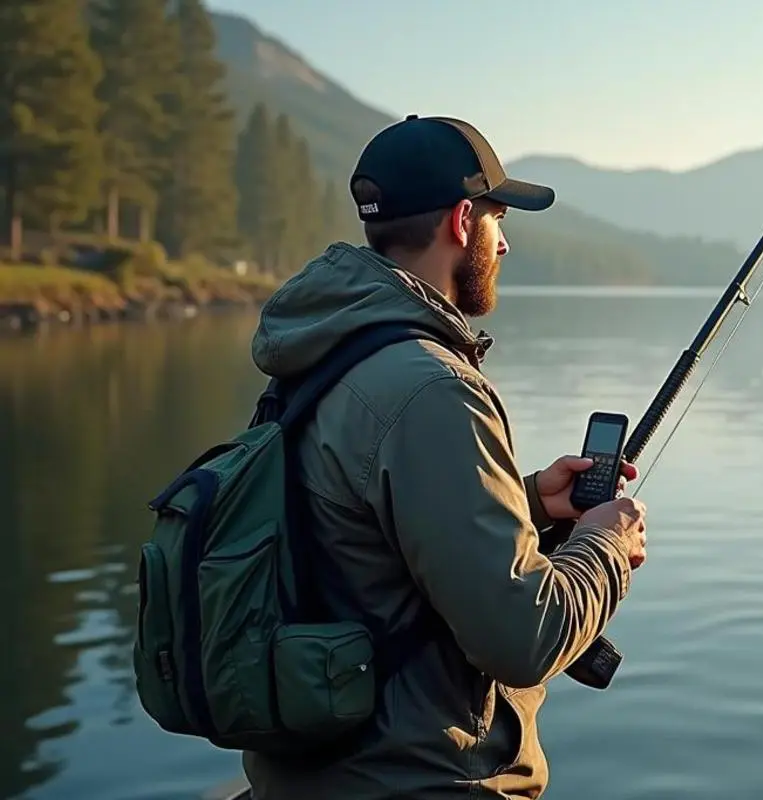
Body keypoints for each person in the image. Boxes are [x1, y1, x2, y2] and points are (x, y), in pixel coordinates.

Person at [240, 114, 648, 799]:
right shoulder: (434, 389)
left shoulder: (321, 357)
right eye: (497, 218)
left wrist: (522, 499)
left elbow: (351, 539)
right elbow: (525, 640)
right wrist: (604, 544)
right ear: (463, 222)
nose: (506, 242)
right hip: (420, 781)